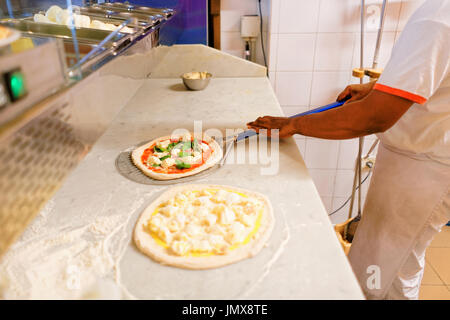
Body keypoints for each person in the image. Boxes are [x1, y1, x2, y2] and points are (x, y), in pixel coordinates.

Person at [247, 0, 450, 300]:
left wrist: (294, 125)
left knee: (384, 275)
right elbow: (434, 76)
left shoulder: (439, 18)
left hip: (424, 168)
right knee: (381, 262)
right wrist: (380, 88)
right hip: (419, 158)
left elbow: (374, 117)